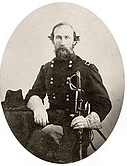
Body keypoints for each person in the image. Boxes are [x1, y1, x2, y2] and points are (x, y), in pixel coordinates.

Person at [25, 22, 112, 163]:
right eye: (58, 38)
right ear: (52, 40)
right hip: (51, 121)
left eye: (67, 37)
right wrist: (38, 108)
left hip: (75, 127)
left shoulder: (86, 69)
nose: (62, 42)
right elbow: (34, 93)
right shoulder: (46, 68)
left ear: (75, 41)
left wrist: (87, 120)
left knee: (42, 140)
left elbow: (103, 103)